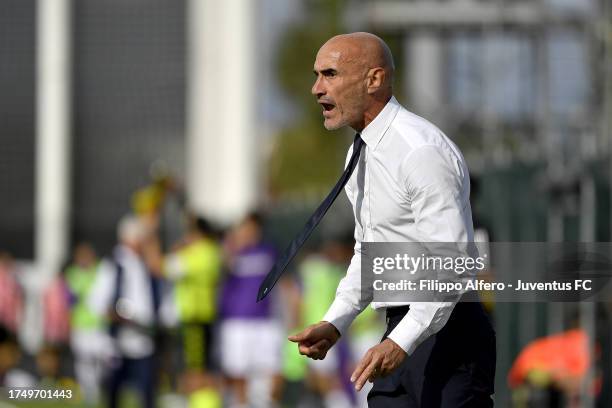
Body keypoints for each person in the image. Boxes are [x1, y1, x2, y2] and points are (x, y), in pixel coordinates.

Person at [287, 32, 496, 407]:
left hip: (449, 336)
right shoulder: (361, 151)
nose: (316, 88)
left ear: (374, 79)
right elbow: (372, 255)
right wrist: (336, 322)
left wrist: (401, 341)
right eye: (316, 75)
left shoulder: (420, 152)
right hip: (400, 332)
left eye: (330, 74)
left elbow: (452, 265)